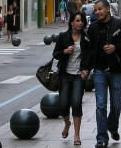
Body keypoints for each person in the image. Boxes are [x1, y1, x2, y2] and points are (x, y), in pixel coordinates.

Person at [82, 0, 121, 148]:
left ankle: (112, 126)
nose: (97, 12)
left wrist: (115, 47)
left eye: (100, 9)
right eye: (95, 10)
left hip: (116, 70)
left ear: (107, 9)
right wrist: (85, 68)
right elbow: (88, 51)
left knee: (116, 104)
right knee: (100, 105)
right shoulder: (92, 28)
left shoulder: (120, 25)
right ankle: (102, 137)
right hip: (99, 71)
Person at [53, 12, 91, 146]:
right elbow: (56, 54)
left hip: (78, 76)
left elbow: (89, 56)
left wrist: (86, 69)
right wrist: (64, 52)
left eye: (82, 21)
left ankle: (76, 135)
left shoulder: (86, 37)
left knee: (76, 102)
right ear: (72, 23)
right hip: (64, 75)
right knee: (63, 104)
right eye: (78, 21)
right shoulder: (63, 37)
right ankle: (67, 122)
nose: (80, 23)